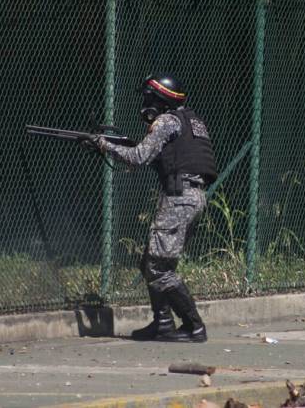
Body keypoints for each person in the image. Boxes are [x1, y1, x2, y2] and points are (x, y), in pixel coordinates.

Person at [90, 73, 217, 342]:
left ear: (159, 99)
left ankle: (194, 326)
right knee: (150, 262)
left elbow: (138, 157)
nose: (145, 103)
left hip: (179, 198)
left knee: (159, 269)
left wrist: (103, 144)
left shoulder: (166, 121)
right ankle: (163, 325)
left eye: (148, 97)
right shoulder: (191, 121)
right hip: (191, 197)